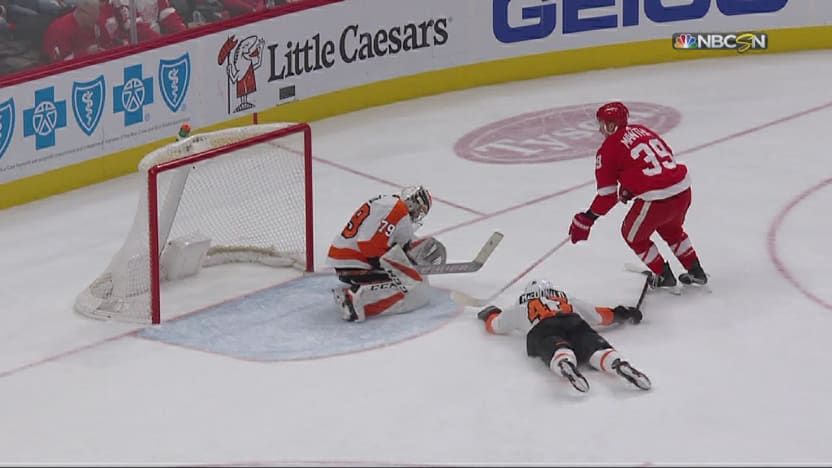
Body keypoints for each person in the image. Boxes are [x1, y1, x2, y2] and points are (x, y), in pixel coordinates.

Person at [568, 101, 708, 290]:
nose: (600, 130)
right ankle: (696, 270)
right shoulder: (641, 130)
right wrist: (633, 186)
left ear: (611, 125)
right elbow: (663, 158)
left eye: (602, 124)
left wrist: (587, 218)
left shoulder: (608, 149)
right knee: (672, 229)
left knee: (632, 235)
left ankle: (663, 275)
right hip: (682, 189)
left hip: (658, 199)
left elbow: (607, 196)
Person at [477, 279, 651, 393]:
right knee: (591, 343)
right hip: (573, 321)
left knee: (553, 344)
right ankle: (614, 362)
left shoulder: (521, 305)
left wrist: (489, 314)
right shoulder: (565, 298)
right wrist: (622, 314)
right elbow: (597, 315)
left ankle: (563, 360)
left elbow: (496, 326)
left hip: (543, 328)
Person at [326, 185, 447, 323]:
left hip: (347, 257)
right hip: (355, 260)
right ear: (413, 202)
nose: (417, 215)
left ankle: (363, 290)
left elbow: (382, 239)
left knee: (411, 279)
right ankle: (357, 300)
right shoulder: (397, 209)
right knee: (417, 290)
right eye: (419, 210)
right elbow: (369, 244)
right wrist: (399, 268)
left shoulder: (388, 203)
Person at [41, 0, 118, 62]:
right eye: (93, 16)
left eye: (97, 15)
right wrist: (86, 53)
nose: (96, 19)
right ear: (81, 13)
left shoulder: (95, 23)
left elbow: (108, 44)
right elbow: (60, 64)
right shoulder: (59, 30)